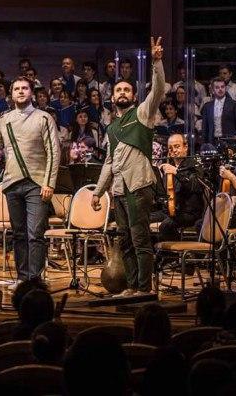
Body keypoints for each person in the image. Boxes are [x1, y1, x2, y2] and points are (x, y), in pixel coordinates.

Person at [92, 37, 166, 297]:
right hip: (119, 191)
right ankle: (132, 286)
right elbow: (109, 162)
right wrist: (98, 192)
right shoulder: (111, 128)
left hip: (138, 187)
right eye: (118, 90)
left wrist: (157, 62)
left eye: (126, 90)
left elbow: (158, 90)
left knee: (140, 239)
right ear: (112, 98)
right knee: (124, 240)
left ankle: (144, 288)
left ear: (134, 96)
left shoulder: (142, 114)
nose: (122, 92)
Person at [0, 77, 61, 282]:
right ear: (11, 94)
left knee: (35, 233)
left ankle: (34, 280)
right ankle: (22, 278)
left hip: (37, 183)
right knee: (19, 234)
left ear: (32, 93)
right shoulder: (5, 119)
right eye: (17, 89)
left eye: (25, 88)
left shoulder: (44, 117)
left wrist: (49, 183)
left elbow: (54, 152)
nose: (20, 91)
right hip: (12, 183)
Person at [157, 134, 204, 241]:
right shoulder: (167, 167)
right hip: (169, 211)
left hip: (188, 213)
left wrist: (176, 172)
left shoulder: (194, 165)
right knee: (141, 218)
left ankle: (175, 249)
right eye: (170, 148)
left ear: (185, 147)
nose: (173, 150)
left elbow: (196, 186)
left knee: (166, 226)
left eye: (177, 146)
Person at [200, 78, 236, 145]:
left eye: (222, 87)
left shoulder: (234, 104)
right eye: (217, 87)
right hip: (212, 142)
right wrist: (204, 144)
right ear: (212, 90)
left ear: (225, 88)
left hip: (230, 142)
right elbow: (205, 128)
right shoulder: (207, 106)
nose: (220, 89)